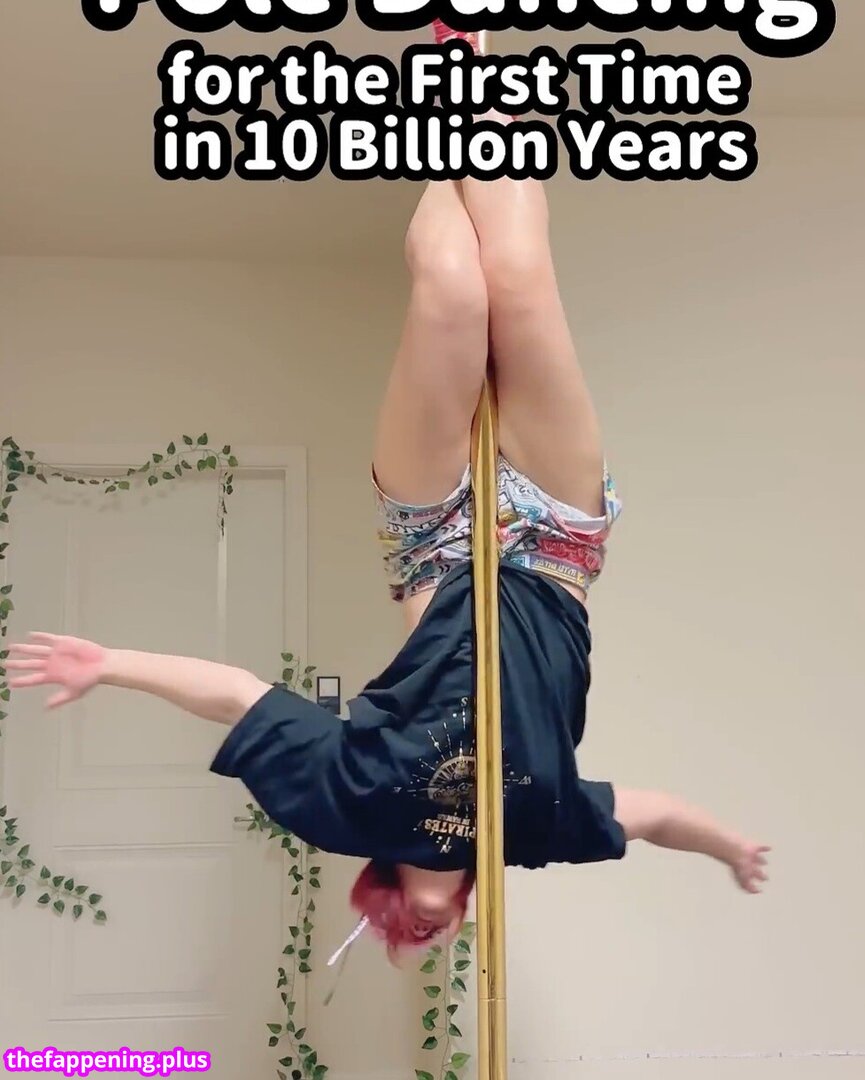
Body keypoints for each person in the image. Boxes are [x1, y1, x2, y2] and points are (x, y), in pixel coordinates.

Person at [7, 23, 768, 964]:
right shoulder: (534, 832)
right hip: (554, 548)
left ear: (377, 900)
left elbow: (239, 695)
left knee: (452, 288)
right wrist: (729, 848)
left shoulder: (348, 806)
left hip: (435, 544)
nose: (425, 931)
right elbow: (651, 816)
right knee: (516, 279)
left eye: (407, 932)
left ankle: (450, 91)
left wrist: (109, 663)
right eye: (433, 936)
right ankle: (475, 80)